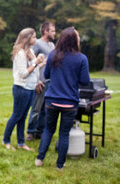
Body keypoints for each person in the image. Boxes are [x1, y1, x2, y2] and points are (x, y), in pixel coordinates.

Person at [35, 27, 90, 171]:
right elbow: (85, 81)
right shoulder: (81, 58)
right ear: (74, 40)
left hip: (51, 100)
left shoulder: (53, 55)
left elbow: (46, 74)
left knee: (48, 129)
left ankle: (39, 159)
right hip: (70, 102)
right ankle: (60, 165)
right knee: (64, 133)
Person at [2, 28, 45, 151]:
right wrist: (36, 63)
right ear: (26, 39)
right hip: (21, 89)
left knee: (23, 117)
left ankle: (21, 143)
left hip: (30, 89)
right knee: (16, 116)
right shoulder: (20, 53)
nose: (35, 39)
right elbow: (23, 73)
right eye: (33, 37)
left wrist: (41, 62)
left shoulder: (30, 51)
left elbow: (33, 70)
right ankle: (6, 141)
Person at [26, 22, 56, 141]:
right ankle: (30, 132)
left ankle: (40, 131)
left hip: (50, 82)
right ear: (45, 31)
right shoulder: (37, 43)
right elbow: (30, 61)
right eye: (52, 31)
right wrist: (36, 80)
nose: (54, 33)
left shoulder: (52, 46)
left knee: (45, 110)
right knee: (36, 108)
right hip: (40, 82)